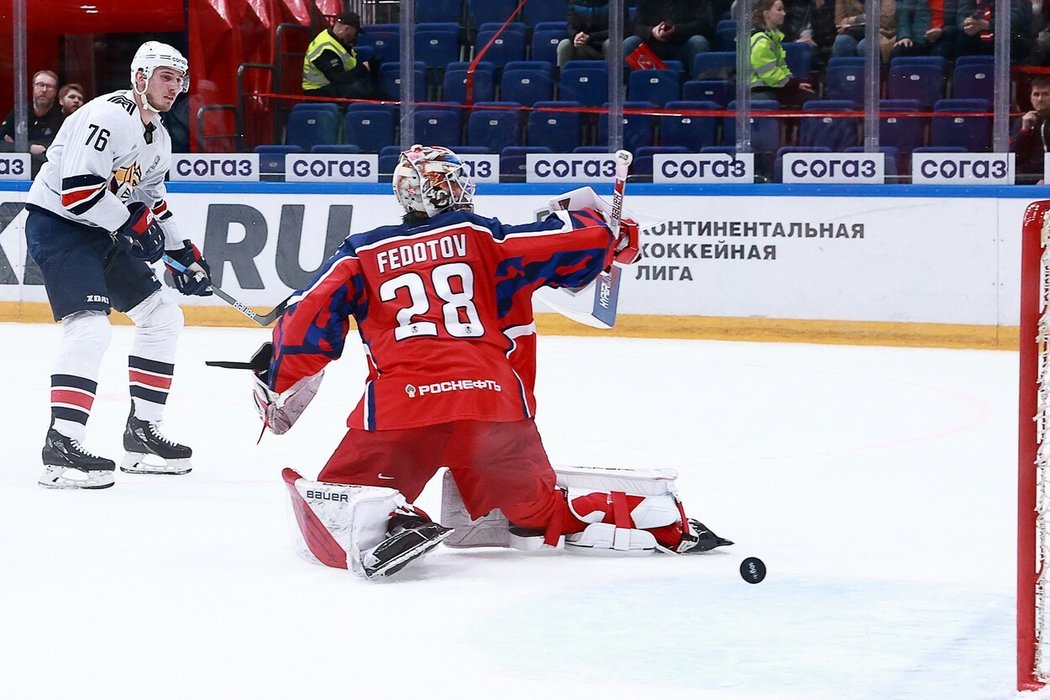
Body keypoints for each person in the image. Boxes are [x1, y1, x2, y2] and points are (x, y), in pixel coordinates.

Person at [251, 144, 732, 579]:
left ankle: (397, 519)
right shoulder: (483, 237)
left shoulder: (360, 252)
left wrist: (276, 375)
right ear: (441, 190)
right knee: (536, 511)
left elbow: (304, 320)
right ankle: (653, 519)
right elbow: (566, 242)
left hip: (405, 408)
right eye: (455, 181)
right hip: (496, 407)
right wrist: (609, 234)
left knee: (335, 507)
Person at [24, 41, 213, 490]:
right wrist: (133, 224)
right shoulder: (106, 116)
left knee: (162, 316)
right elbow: (79, 192)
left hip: (101, 231)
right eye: (167, 76)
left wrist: (184, 252)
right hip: (60, 227)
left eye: (180, 78)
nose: (176, 86)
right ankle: (62, 442)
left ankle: (142, 434)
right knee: (90, 327)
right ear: (141, 77)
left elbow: (153, 202)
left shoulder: (158, 136)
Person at [751, 0, 818, 106]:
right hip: (760, 90)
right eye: (779, 10)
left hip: (772, 87)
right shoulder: (761, 41)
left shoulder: (773, 38)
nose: (784, 13)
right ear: (766, 14)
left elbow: (782, 68)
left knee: (809, 96)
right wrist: (792, 85)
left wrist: (795, 83)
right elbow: (769, 75)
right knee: (808, 99)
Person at [0, 70, 64, 175]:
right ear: (33, 87)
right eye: (40, 85)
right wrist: (28, 147)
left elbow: (54, 151)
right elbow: (1, 143)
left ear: (55, 92)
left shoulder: (61, 118)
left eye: (49, 86)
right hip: (15, 175)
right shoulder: (19, 112)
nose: (44, 90)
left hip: (47, 175)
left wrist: (14, 145)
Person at [301, 10, 373, 99]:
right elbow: (339, 78)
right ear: (346, 29)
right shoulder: (325, 48)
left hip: (330, 87)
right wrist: (363, 68)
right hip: (317, 91)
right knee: (359, 91)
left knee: (368, 89)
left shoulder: (336, 40)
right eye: (355, 33)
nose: (355, 36)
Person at [624, 0, 716, 66]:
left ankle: (696, 87)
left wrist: (676, 30)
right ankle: (625, 90)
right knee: (630, 42)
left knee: (698, 42)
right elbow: (636, 26)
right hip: (654, 48)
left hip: (682, 46)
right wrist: (652, 32)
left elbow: (703, 25)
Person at [558, 0, 627, 67]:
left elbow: (619, 29)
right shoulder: (575, 2)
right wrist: (575, 37)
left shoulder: (616, 2)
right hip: (583, 46)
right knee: (564, 44)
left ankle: (611, 77)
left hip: (603, 43)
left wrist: (590, 37)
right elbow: (571, 27)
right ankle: (563, 76)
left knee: (610, 43)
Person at [1012, 75, 1050, 183]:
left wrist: (1046, 178)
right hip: (1029, 179)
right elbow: (1014, 157)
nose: (1040, 99)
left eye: (1045, 94)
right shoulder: (1022, 121)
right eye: (1036, 94)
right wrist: (1024, 131)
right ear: (1031, 98)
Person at [833, 0, 898, 62]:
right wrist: (863, 18)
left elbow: (886, 21)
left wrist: (851, 21)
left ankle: (873, 73)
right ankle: (848, 73)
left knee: (865, 46)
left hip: (881, 32)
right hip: (852, 31)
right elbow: (839, 23)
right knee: (842, 42)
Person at [891, 0, 957, 60]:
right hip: (917, 37)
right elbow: (904, 16)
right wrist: (905, 36)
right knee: (899, 51)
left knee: (937, 55)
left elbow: (959, 22)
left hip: (943, 37)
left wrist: (943, 32)